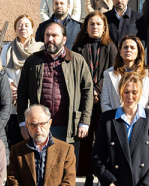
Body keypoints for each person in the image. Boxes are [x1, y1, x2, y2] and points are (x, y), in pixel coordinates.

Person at [16, 22, 93, 155]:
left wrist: (85, 122)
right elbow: (22, 94)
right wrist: (23, 123)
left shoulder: (77, 60)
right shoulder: (33, 61)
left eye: (54, 36)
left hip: (68, 126)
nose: (50, 39)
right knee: (41, 170)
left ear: (64, 39)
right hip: (39, 127)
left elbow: (88, 92)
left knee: (66, 171)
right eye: (47, 35)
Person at [72, 11, 118, 186]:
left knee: (103, 139)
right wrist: (90, 92)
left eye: (99, 24)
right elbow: (75, 73)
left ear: (104, 27)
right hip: (84, 100)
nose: (95, 27)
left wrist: (97, 90)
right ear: (86, 27)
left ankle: (104, 175)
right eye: (92, 24)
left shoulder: (111, 47)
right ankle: (88, 175)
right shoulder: (77, 47)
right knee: (85, 139)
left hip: (104, 99)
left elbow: (112, 71)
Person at [1, 15, 44, 148]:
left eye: (26, 25)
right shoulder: (7, 48)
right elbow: (1, 70)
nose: (22, 28)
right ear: (15, 29)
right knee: (14, 142)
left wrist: (24, 91)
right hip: (12, 98)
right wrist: (11, 86)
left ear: (32, 30)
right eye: (19, 25)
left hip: (33, 98)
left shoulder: (40, 48)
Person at [101, 34, 149, 112]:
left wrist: (145, 120)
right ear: (120, 52)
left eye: (132, 48)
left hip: (142, 120)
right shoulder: (109, 74)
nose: (128, 50)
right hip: (116, 120)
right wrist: (114, 121)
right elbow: (105, 104)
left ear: (138, 52)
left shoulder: (147, 73)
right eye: (125, 47)